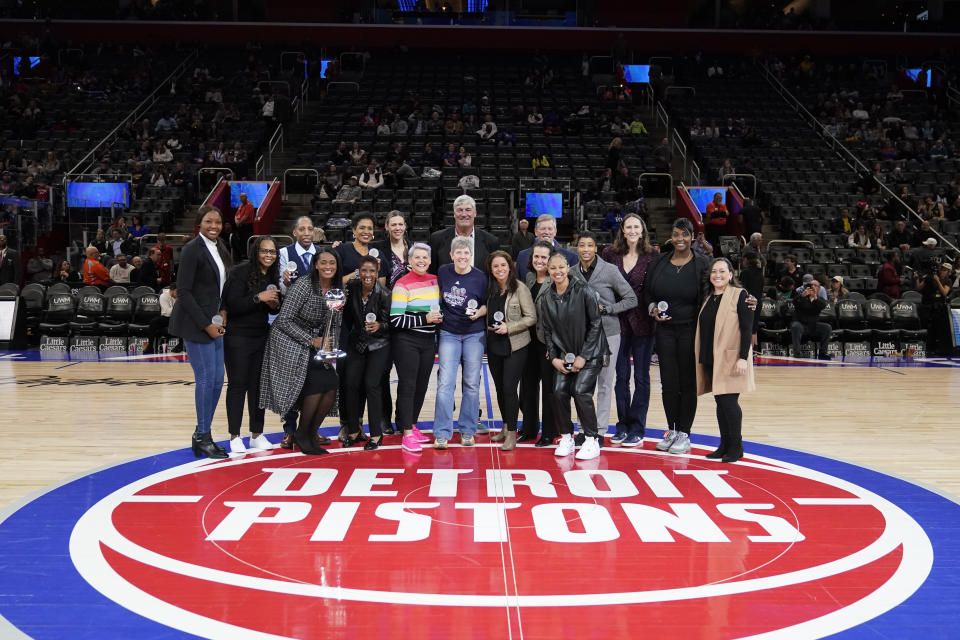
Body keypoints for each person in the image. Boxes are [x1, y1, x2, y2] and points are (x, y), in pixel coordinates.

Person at [260, 249, 343, 455]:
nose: (327, 266)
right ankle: (301, 433)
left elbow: (335, 323)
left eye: (332, 263)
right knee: (315, 384)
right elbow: (284, 320)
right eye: (323, 262)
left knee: (331, 384)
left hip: (316, 344)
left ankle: (308, 433)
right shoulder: (304, 285)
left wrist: (330, 347)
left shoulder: (336, 289)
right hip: (289, 340)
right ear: (316, 265)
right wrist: (311, 340)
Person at [169, 206, 232, 459]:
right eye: (208, 221)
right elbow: (183, 292)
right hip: (196, 324)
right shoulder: (192, 249)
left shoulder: (222, 247)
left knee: (217, 381)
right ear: (199, 223)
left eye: (217, 221)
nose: (214, 225)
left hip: (216, 321)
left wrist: (224, 312)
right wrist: (206, 324)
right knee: (206, 380)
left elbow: (223, 286)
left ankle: (201, 434)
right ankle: (203, 436)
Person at [645, 218, 713, 455]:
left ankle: (685, 433)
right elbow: (647, 292)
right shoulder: (659, 261)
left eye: (685, 234)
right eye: (676, 234)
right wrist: (653, 308)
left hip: (691, 331)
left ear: (692, 236)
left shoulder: (703, 263)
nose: (680, 239)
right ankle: (671, 430)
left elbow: (718, 289)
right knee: (668, 383)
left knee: (688, 383)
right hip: (664, 331)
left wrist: (746, 299)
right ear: (671, 236)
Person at [538, 252, 608, 461]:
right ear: (548, 271)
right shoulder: (546, 297)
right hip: (563, 356)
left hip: (591, 353)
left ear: (568, 268)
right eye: (553, 268)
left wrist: (584, 356)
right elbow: (548, 331)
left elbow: (596, 324)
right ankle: (567, 437)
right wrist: (553, 359)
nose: (557, 271)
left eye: (561, 267)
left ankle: (591, 439)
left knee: (580, 391)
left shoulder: (584, 291)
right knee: (558, 391)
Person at [601, 214, 657, 446]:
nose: (632, 230)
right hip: (617, 323)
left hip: (644, 323)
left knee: (641, 377)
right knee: (620, 377)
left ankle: (638, 426)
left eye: (636, 227)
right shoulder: (609, 254)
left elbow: (655, 287)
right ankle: (622, 425)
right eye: (628, 227)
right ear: (622, 231)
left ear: (642, 230)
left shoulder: (653, 255)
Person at [576, 231, 637, 442]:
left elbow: (631, 298)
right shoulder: (571, 272)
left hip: (609, 333)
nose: (585, 249)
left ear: (596, 248)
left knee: (604, 383)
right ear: (577, 248)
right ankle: (584, 430)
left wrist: (609, 308)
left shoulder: (609, 270)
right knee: (582, 385)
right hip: (581, 336)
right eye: (581, 245)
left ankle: (600, 431)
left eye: (589, 245)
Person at [222, 235, 280, 454]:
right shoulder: (239, 272)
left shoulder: (272, 274)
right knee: (238, 385)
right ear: (256, 252)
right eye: (264, 251)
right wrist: (259, 298)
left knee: (258, 387)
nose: (268, 255)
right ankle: (234, 436)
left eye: (272, 252)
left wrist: (274, 304)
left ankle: (257, 434)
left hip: (261, 336)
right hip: (237, 336)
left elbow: (272, 309)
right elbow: (233, 304)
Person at [695, 258, 755, 463]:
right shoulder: (709, 297)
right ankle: (724, 444)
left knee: (729, 403)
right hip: (713, 357)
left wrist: (743, 358)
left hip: (731, 358)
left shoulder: (740, 295)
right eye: (713, 271)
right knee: (720, 402)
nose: (717, 275)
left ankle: (736, 446)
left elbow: (747, 328)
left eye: (722, 271)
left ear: (731, 274)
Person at [432, 237, 488, 449]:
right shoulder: (443, 272)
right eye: (459, 253)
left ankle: (467, 430)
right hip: (449, 332)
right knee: (445, 383)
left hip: (474, 333)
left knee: (472, 384)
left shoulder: (480, 277)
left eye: (466, 253)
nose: (463, 257)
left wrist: (479, 312)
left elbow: (486, 305)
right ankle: (442, 432)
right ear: (452, 255)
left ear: (470, 255)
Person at [390, 243, 441, 453]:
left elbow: (438, 310)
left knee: (421, 386)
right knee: (408, 386)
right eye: (417, 257)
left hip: (429, 342)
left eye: (425, 257)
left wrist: (438, 317)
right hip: (407, 342)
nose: (421, 261)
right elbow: (395, 320)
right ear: (409, 261)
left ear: (429, 260)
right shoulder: (402, 284)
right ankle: (406, 433)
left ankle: (412, 424)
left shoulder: (435, 281)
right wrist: (425, 318)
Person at [485, 251, 537, 451]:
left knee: (509, 388)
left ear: (510, 267)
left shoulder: (520, 288)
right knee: (499, 388)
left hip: (515, 345)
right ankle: (505, 427)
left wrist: (510, 326)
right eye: (495, 266)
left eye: (503, 265)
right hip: (494, 345)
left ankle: (513, 434)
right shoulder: (490, 289)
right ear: (491, 269)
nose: (499, 269)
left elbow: (531, 317)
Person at [276, 216, 321, 444]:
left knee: (313, 380)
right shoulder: (284, 254)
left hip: (316, 325)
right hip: (292, 326)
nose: (306, 232)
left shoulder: (322, 254)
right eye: (301, 229)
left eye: (310, 229)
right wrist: (283, 281)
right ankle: (289, 429)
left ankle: (309, 428)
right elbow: (280, 288)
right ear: (294, 232)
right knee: (290, 379)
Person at [340, 255, 392, 450]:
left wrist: (380, 325)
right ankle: (354, 430)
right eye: (364, 271)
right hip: (357, 343)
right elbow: (347, 317)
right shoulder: (352, 288)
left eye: (372, 271)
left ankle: (376, 435)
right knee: (351, 384)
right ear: (359, 272)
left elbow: (391, 324)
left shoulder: (385, 293)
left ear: (377, 273)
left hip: (378, 344)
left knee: (372, 385)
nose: (368, 275)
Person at [520, 241, 560, 446]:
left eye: (544, 257)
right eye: (536, 256)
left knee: (549, 389)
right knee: (528, 387)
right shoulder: (527, 278)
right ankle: (528, 429)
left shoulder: (556, 281)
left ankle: (549, 432)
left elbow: (560, 317)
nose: (539, 260)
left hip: (547, 342)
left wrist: (554, 346)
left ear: (551, 259)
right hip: (528, 341)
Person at [428, 195, 500, 273]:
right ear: (454, 214)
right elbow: (432, 273)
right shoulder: (436, 239)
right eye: (459, 210)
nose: (464, 214)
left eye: (468, 210)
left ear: (475, 213)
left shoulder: (491, 241)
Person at [515, 214, 578, 280]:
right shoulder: (522, 256)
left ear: (555, 232)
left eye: (550, 229)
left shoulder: (571, 258)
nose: (546, 232)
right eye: (543, 229)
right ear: (536, 231)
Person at [336, 213, 389, 286]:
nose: (366, 232)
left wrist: (376, 272)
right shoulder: (341, 250)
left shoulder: (378, 254)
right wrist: (358, 273)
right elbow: (334, 283)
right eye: (362, 228)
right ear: (354, 230)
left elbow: (381, 287)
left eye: (370, 228)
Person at [790, 278, 831, 360]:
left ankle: (823, 353)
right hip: (801, 324)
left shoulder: (820, 299)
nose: (812, 287)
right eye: (811, 285)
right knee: (795, 326)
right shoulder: (802, 296)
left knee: (827, 327)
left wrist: (815, 297)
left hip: (813, 326)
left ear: (819, 289)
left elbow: (822, 305)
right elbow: (794, 302)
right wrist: (802, 295)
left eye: (815, 285)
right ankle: (797, 353)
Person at [233, 192, 256, 259]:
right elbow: (236, 215)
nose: (241, 198)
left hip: (247, 226)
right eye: (241, 197)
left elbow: (245, 216)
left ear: (246, 197)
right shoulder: (240, 206)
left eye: (243, 197)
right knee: (240, 241)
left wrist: (239, 223)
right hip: (241, 226)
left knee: (246, 241)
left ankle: (246, 255)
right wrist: (236, 222)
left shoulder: (250, 205)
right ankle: (241, 255)